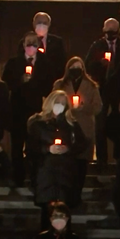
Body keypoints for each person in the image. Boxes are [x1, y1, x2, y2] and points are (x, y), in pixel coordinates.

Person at [26, 90, 88, 230]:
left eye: (63, 103)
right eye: (57, 102)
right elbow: (31, 148)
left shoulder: (71, 124)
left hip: (65, 174)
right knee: (47, 213)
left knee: (64, 211)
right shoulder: (37, 124)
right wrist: (48, 149)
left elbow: (82, 143)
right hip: (46, 174)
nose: (59, 105)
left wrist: (68, 149)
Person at [2, 31, 54, 186]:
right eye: (28, 43)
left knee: (35, 146)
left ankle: (34, 176)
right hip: (18, 110)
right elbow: (6, 84)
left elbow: (49, 86)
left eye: (34, 43)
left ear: (38, 45)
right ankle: (17, 177)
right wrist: (20, 81)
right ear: (23, 45)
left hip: (36, 110)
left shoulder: (45, 63)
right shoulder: (13, 63)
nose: (31, 46)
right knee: (17, 146)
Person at [85, 18, 120, 168]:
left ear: (118, 31)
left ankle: (119, 158)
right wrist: (100, 64)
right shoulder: (97, 46)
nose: (110, 35)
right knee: (99, 125)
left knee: (119, 124)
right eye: (107, 32)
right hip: (101, 89)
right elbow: (87, 66)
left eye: (112, 32)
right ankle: (101, 159)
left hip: (118, 90)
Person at [53, 57, 102, 189]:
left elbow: (98, 107)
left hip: (85, 126)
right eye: (73, 67)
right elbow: (53, 103)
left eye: (79, 67)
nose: (76, 70)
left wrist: (84, 107)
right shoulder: (60, 85)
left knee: (82, 163)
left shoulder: (91, 85)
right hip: (66, 125)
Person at [18, 12, 67, 81]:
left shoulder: (57, 42)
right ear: (34, 24)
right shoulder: (24, 42)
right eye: (39, 22)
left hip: (51, 81)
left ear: (49, 25)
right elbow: (19, 62)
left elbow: (62, 64)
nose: (42, 25)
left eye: (45, 23)